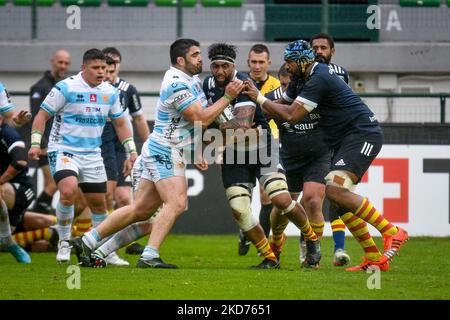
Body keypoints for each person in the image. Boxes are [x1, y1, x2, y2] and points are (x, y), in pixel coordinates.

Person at [71, 39, 244, 269]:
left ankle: (88, 242)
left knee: (140, 210)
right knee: (177, 203)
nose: (200, 58)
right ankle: (149, 256)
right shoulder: (175, 83)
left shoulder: (191, 79)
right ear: (181, 60)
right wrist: (228, 97)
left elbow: (199, 122)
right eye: (195, 54)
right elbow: (200, 117)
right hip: (166, 149)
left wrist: (199, 149)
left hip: (166, 149)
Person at [244, 40, 409, 271]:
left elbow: (290, 115)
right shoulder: (301, 79)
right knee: (339, 199)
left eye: (290, 62)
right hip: (341, 139)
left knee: (335, 190)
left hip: (361, 133)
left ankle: (392, 232)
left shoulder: (318, 78)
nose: (286, 66)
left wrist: (259, 98)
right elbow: (281, 103)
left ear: (302, 62)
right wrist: (249, 114)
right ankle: (373, 258)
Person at [203, 43, 321, 269]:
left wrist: (211, 129)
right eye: (215, 66)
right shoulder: (208, 83)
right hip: (233, 152)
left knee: (280, 199)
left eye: (224, 67)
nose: (219, 72)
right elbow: (203, 119)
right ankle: (269, 257)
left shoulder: (244, 83)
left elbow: (242, 124)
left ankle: (312, 240)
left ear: (233, 66)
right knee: (239, 209)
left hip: (262, 146)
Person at [28, 48, 137, 263]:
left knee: (99, 204)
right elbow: (42, 116)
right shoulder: (65, 87)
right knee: (68, 191)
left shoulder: (110, 92)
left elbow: (122, 122)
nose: (101, 72)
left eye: (104, 68)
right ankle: (64, 242)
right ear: (83, 68)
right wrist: (34, 143)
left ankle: (104, 251)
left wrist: (132, 151)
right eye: (95, 68)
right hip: (63, 149)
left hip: (92, 153)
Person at [237, 44, 281, 256]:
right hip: (243, 142)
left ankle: (260, 241)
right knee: (245, 193)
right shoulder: (239, 83)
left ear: (268, 63)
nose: (257, 66)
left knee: (266, 195)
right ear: (248, 62)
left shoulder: (277, 85)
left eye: (261, 62)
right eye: (253, 62)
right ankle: (245, 231)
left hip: (270, 141)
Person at [30, 50, 71, 214]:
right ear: (52, 62)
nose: (63, 66)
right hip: (46, 146)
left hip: (63, 144)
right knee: (53, 184)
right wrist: (42, 144)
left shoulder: (67, 85)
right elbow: (37, 118)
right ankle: (36, 214)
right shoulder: (40, 87)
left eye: (66, 63)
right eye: (60, 62)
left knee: (57, 184)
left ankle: (40, 214)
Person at [0, 118, 33, 263]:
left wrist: (0, 181)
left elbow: (21, 161)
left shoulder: (8, 133)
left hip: (21, 189)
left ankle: (8, 241)